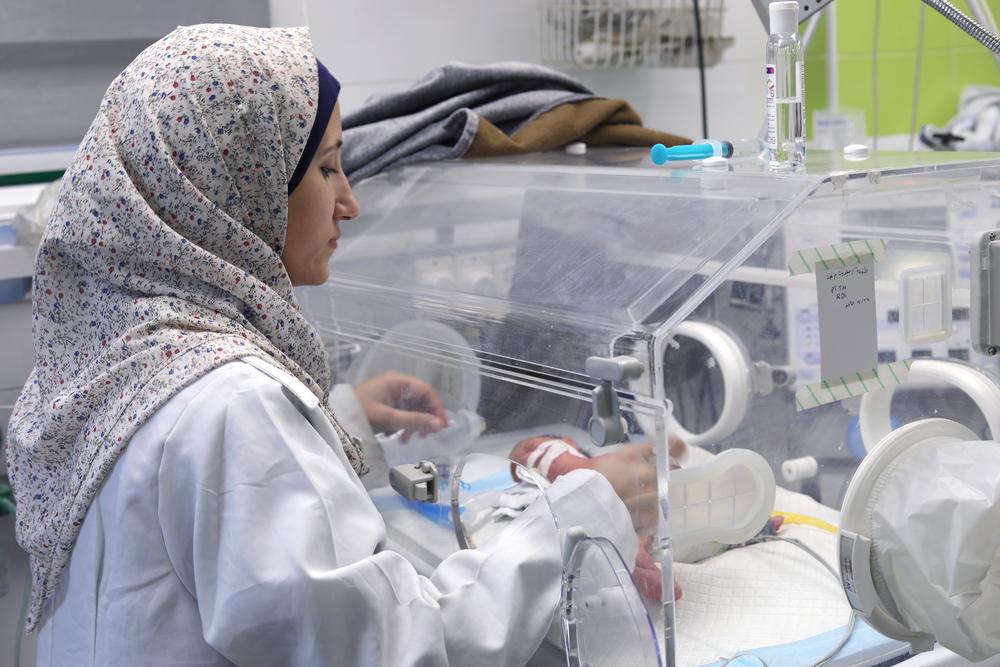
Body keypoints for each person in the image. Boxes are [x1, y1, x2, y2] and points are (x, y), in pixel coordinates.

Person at [5, 24, 645, 666]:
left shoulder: (123, 353)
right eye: (326, 167)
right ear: (233, 185)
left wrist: (343, 419)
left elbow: (201, 522)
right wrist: (582, 513)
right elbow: (392, 649)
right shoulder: (231, 403)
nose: (350, 203)